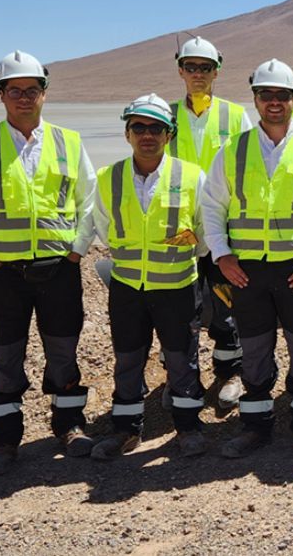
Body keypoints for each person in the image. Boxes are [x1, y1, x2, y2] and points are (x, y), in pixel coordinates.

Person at [0, 51, 97, 476]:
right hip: (5, 275)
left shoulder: (69, 142)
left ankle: (69, 426)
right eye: (14, 90)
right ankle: (3, 442)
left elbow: (89, 202)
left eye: (31, 90)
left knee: (64, 352)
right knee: (6, 356)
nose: (23, 98)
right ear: (0, 95)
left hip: (59, 269)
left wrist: (77, 249)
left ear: (44, 93)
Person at [201, 60, 293, 459]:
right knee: (255, 348)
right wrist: (222, 255)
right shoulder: (234, 149)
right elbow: (212, 206)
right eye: (267, 95)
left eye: (283, 95)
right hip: (247, 271)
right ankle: (255, 426)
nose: (275, 102)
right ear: (256, 99)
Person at [89, 94, 209, 460]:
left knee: (181, 358)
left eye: (156, 128)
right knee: (127, 359)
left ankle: (188, 429)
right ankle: (126, 431)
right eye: (138, 127)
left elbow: (204, 235)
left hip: (176, 287)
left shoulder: (191, 176)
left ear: (168, 135)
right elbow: (105, 230)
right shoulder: (107, 178)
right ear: (127, 134)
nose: (147, 135)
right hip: (127, 288)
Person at [166, 36, 253, 410]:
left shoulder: (235, 117)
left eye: (205, 67)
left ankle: (230, 372)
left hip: (224, 226)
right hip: (178, 229)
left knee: (226, 300)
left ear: (217, 70)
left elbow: (250, 168)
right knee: (180, 305)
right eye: (191, 67)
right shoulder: (165, 116)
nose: (198, 74)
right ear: (180, 70)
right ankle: (183, 379)